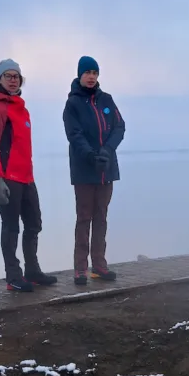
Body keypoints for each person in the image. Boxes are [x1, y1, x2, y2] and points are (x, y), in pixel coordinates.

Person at [0, 59, 57, 291]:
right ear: (0, 79)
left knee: (34, 223)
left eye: (16, 76)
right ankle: (13, 276)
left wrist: (30, 176)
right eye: (8, 76)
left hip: (26, 177)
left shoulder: (22, 109)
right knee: (11, 226)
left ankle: (32, 270)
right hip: (6, 178)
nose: (13, 80)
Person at [63, 56, 125, 285]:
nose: (91, 77)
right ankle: (80, 268)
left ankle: (99, 265)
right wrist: (90, 155)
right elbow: (74, 134)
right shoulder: (73, 104)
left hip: (106, 169)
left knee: (101, 217)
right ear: (80, 75)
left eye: (95, 73)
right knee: (84, 218)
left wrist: (107, 150)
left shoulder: (106, 100)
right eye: (87, 72)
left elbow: (119, 126)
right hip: (84, 170)